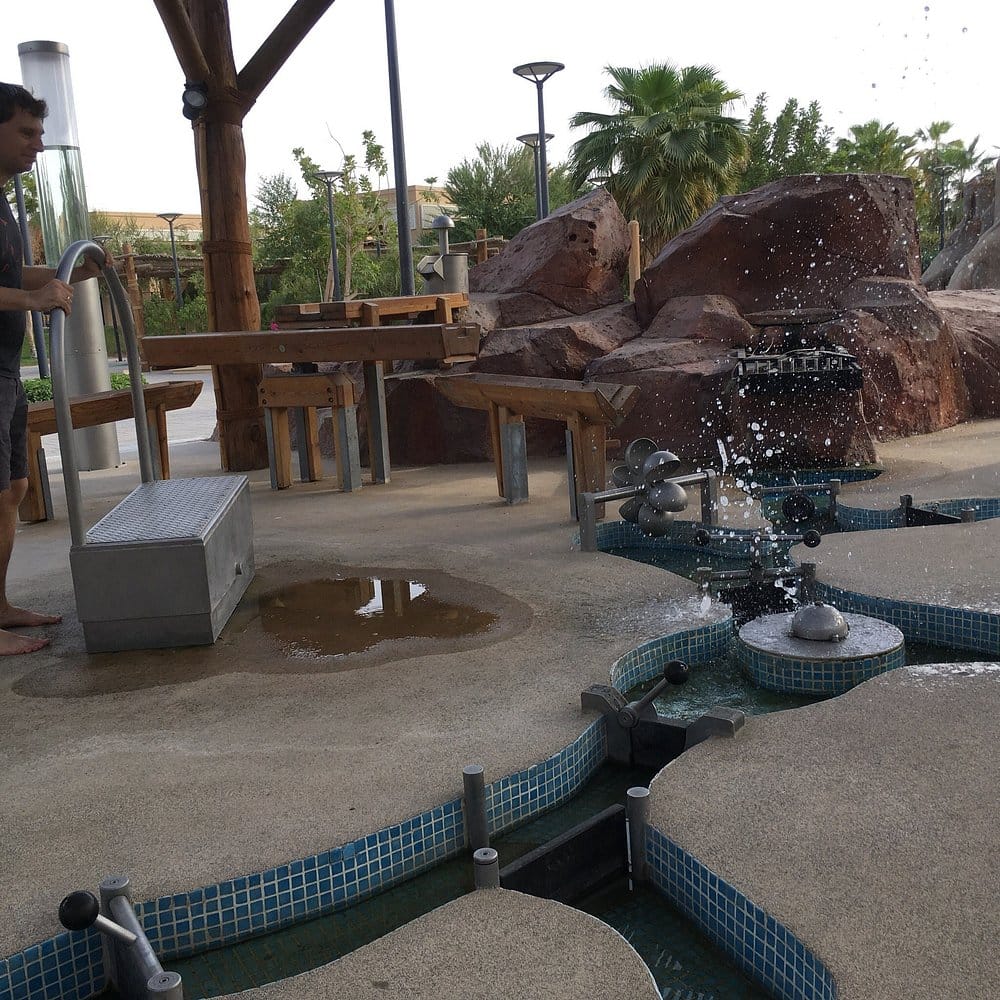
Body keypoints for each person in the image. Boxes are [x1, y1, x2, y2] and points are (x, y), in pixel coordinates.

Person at [0, 82, 109, 654]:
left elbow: (11, 277)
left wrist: (70, 274)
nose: (37, 145)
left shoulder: (2, 202)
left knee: (13, 488)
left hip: (4, 370)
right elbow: (16, 291)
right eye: (25, 132)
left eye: (41, 133)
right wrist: (33, 300)